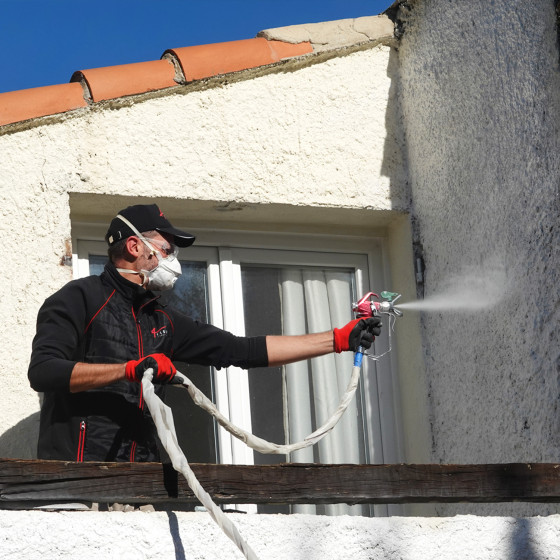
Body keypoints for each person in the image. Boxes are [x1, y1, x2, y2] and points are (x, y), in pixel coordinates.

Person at [28, 204, 382, 462]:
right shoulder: (80, 298)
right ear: (136, 247)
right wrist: (130, 370)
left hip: (139, 487)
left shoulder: (161, 318)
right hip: (74, 484)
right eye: (167, 250)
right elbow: (44, 371)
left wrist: (337, 340)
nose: (173, 261)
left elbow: (241, 350)